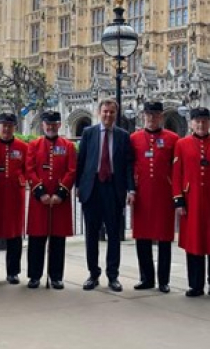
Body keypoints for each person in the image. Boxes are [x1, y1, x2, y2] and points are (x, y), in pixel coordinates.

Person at [76, 99, 134, 292]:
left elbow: (127, 166)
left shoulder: (123, 136)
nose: (108, 115)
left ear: (116, 114)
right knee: (91, 235)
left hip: (113, 188)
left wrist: (130, 189)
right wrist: (78, 186)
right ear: (98, 112)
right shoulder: (88, 133)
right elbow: (81, 161)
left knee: (114, 236)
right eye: (105, 112)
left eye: (111, 112)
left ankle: (113, 276)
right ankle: (93, 274)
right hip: (92, 189)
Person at [173, 107, 210, 299]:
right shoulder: (182, 144)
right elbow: (177, 172)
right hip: (191, 199)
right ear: (191, 123)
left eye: (204, 121)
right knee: (194, 242)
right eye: (197, 121)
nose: (201, 125)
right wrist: (178, 198)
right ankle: (195, 285)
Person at [129, 101, 179, 293]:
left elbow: (176, 168)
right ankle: (146, 278)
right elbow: (129, 166)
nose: (151, 119)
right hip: (142, 193)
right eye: (148, 115)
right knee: (142, 238)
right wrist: (130, 189)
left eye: (155, 115)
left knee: (164, 239)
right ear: (143, 116)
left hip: (163, 194)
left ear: (161, 117)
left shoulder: (173, 138)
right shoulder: (134, 138)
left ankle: (164, 280)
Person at [25, 111, 77, 288]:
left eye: (54, 124)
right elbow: (30, 169)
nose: (51, 127)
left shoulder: (68, 146)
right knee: (36, 239)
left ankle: (56, 276)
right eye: (48, 124)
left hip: (59, 201)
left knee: (57, 240)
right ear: (43, 125)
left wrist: (60, 193)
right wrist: (41, 192)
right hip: (40, 200)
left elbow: (71, 170)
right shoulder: (34, 145)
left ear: (59, 125)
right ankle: (34, 276)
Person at [0, 113, 27, 285]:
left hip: (14, 196)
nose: (6, 129)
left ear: (14, 127)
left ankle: (13, 272)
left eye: (10, 126)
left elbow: (26, 168)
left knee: (14, 235)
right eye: (3, 125)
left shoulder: (22, 147)